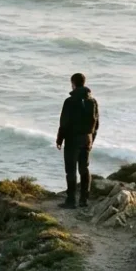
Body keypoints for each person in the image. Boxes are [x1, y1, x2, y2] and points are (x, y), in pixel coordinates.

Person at [56, 73, 100, 209]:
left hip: (72, 139)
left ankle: (71, 201)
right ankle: (84, 200)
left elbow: (64, 122)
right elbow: (96, 123)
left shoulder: (69, 101)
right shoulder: (92, 101)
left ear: (73, 83)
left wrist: (59, 139)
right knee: (84, 168)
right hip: (87, 138)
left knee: (71, 170)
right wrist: (92, 139)